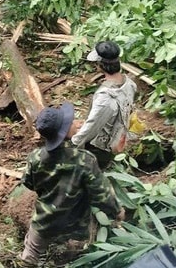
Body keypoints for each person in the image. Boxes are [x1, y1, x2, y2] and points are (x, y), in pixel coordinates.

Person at [18, 102, 124, 267]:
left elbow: (29, 184)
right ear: (64, 132)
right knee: (75, 256)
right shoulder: (84, 160)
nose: (76, 123)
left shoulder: (35, 158)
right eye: (71, 122)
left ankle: (29, 261)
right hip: (75, 227)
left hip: (44, 222)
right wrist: (117, 211)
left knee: (30, 254)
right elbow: (101, 194)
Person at [72, 41, 137, 169]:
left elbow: (93, 125)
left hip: (98, 149)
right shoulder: (130, 84)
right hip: (117, 139)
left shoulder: (105, 97)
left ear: (100, 65)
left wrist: (74, 143)